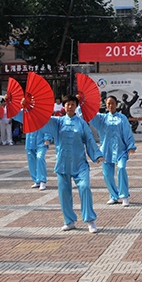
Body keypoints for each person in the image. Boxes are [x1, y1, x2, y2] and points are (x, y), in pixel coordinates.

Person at [39, 95, 104, 233]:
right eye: (67, 104)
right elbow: (39, 118)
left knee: (85, 188)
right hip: (63, 163)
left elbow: (90, 140)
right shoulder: (57, 122)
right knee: (63, 193)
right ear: (64, 106)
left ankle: (90, 220)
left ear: (76, 106)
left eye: (73, 104)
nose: (70, 106)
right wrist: (27, 107)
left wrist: (97, 155)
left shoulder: (81, 123)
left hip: (80, 163)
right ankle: (69, 221)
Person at [89, 95, 137, 206]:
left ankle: (124, 195)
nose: (111, 106)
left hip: (121, 150)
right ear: (106, 105)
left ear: (116, 104)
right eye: (108, 104)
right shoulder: (101, 118)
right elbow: (88, 115)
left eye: (113, 103)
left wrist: (130, 146)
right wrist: (81, 104)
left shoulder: (122, 118)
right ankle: (113, 195)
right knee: (107, 175)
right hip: (106, 151)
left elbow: (127, 132)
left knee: (121, 168)